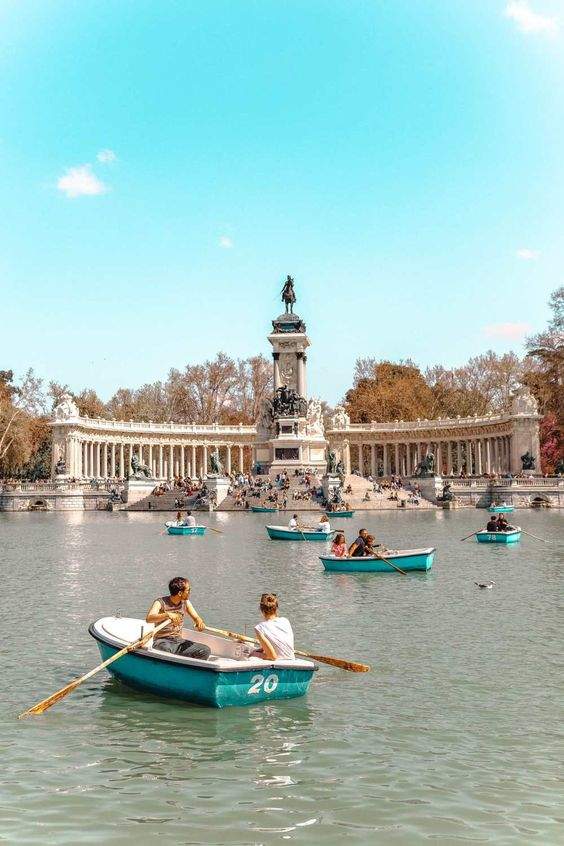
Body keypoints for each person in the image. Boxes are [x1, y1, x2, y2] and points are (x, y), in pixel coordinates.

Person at [146, 577, 210, 659]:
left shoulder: (185, 603)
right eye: (188, 590)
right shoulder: (160, 602)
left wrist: (199, 622)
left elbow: (196, 617)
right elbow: (149, 618)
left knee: (205, 650)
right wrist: (167, 614)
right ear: (180, 593)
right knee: (165, 650)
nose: (190, 592)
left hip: (178, 641)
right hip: (162, 641)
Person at [252, 593, 295, 660]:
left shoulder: (259, 628)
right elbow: (277, 640)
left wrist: (254, 654)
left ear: (262, 611)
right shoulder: (285, 621)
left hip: (279, 664)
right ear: (276, 609)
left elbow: (272, 657)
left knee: (252, 655)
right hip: (292, 661)